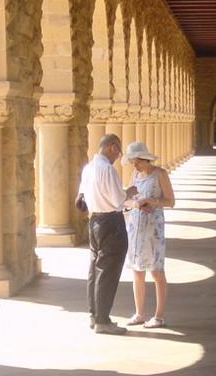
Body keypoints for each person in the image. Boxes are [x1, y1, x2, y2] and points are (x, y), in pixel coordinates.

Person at [78, 134, 138, 335]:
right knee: (108, 272)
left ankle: (94, 316)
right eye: (118, 151)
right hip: (111, 222)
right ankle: (103, 320)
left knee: (94, 270)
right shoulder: (108, 170)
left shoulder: (88, 169)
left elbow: (83, 198)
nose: (117, 156)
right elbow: (117, 201)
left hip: (94, 220)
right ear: (112, 147)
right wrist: (128, 192)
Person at [122, 141, 175, 328]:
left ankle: (159, 316)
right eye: (132, 162)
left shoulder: (160, 174)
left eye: (136, 161)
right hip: (136, 225)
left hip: (153, 226)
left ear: (144, 158)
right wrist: (135, 203)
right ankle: (139, 313)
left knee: (156, 271)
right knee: (137, 270)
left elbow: (170, 201)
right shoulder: (135, 174)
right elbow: (127, 199)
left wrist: (150, 201)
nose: (134, 166)